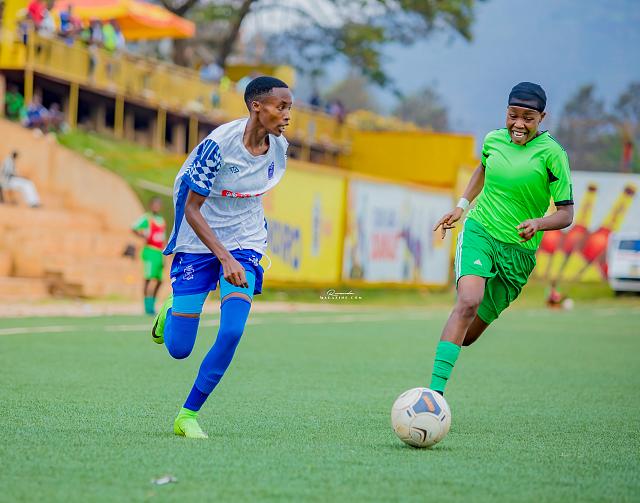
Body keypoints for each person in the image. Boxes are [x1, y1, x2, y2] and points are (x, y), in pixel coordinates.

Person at [151, 76, 292, 438]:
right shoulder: (217, 147)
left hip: (245, 239)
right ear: (256, 106)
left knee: (231, 331)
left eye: (290, 108)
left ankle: (187, 415)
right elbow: (192, 208)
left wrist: (236, 255)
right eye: (281, 107)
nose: (287, 115)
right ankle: (171, 310)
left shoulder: (279, 147)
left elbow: (253, 195)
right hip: (198, 236)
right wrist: (224, 258)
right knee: (179, 349)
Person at [429, 82, 574, 396]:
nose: (518, 124)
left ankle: (453, 340)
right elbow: (482, 169)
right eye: (512, 115)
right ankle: (433, 397)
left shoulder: (553, 154)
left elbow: (566, 214)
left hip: (518, 254)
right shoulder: (493, 140)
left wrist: (539, 223)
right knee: (468, 302)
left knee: (468, 335)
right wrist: (461, 207)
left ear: (542, 118)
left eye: (528, 118)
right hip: (481, 230)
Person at [132, 197, 167, 315]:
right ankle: (147, 306)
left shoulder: (161, 220)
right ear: (151, 205)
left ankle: (152, 303)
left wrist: (165, 255)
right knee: (148, 278)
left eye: (158, 205)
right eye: (155, 204)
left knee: (159, 280)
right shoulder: (147, 218)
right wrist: (143, 236)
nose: (156, 207)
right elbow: (134, 227)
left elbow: (163, 238)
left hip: (159, 252)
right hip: (150, 251)